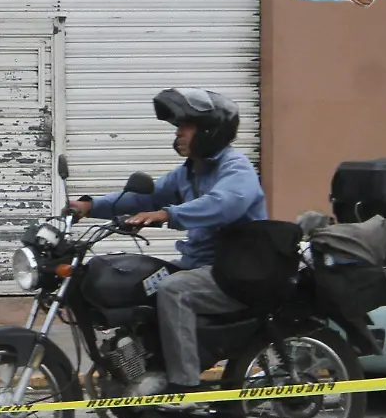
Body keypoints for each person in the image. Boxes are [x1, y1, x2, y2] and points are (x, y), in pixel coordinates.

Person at [68, 88, 266, 397]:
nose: (178, 134)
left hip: (235, 272)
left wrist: (166, 215)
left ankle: (184, 386)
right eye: (178, 127)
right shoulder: (189, 173)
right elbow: (144, 196)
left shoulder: (234, 167)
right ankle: (147, 365)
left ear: (210, 131)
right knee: (143, 283)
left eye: (186, 127)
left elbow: (225, 203)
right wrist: (90, 206)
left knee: (174, 291)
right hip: (200, 267)